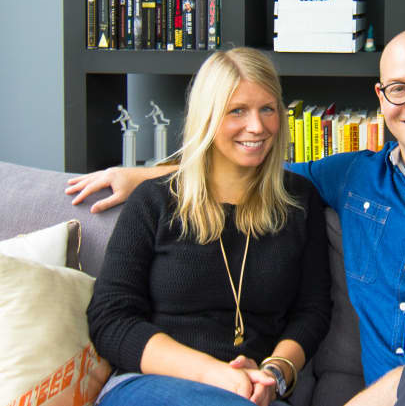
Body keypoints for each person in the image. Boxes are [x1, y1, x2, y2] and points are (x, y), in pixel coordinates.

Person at [69, 29, 405, 406]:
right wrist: (143, 176)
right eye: (399, 89)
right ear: (381, 101)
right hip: (189, 389)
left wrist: (402, 383)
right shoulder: (355, 178)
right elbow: (246, 162)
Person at [84, 47, 331, 406]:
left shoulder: (299, 201)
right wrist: (217, 375)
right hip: (152, 385)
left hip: (252, 393)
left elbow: (312, 311)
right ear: (208, 116)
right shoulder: (154, 202)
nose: (257, 127)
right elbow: (111, 319)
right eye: (237, 111)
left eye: (268, 108)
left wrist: (275, 373)